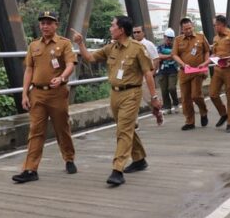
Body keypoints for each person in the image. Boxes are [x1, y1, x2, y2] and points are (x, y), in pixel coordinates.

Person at [72, 16, 163, 186]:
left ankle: (117, 169)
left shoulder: (137, 48)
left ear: (121, 30)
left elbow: (148, 73)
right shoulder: (111, 48)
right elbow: (90, 58)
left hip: (131, 93)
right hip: (115, 94)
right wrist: (80, 43)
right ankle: (140, 159)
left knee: (122, 131)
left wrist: (154, 97)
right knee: (126, 128)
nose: (110, 28)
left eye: (112, 25)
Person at [12, 11, 77, 183]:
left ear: (56, 25)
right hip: (38, 94)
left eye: (49, 23)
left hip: (57, 93)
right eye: (43, 23)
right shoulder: (34, 46)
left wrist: (62, 77)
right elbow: (29, 69)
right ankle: (30, 169)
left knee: (61, 128)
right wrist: (24, 93)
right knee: (35, 131)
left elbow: (70, 64)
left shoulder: (64, 44)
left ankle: (69, 158)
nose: (45, 26)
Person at [172, 17, 210, 130]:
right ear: (182, 29)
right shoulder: (178, 40)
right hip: (184, 72)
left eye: (189, 28)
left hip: (198, 71)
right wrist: (183, 64)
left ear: (192, 26)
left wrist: (205, 64)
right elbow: (174, 54)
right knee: (185, 98)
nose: (188, 30)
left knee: (196, 95)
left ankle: (203, 111)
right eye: (185, 29)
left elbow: (207, 51)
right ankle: (190, 121)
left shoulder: (201, 37)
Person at [210, 15, 230, 132]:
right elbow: (214, 54)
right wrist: (205, 62)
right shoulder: (215, 39)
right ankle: (223, 114)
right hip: (218, 69)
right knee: (213, 94)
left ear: (221, 25)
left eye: (215, 25)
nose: (214, 27)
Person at [133, 25, 164, 125]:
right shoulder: (131, 45)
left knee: (149, 99)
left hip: (146, 77)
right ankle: (134, 123)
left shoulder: (148, 44)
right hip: (134, 78)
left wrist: (152, 73)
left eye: (138, 32)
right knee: (133, 101)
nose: (136, 34)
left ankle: (157, 111)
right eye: (134, 32)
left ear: (143, 33)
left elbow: (156, 59)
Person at [157, 28, 180, 114]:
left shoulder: (175, 45)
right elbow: (158, 56)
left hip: (173, 69)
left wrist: (167, 56)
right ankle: (167, 107)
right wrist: (170, 56)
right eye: (168, 37)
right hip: (163, 70)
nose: (169, 40)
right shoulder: (160, 46)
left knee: (172, 88)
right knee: (164, 90)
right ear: (164, 37)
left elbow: (177, 55)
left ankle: (176, 104)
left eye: (171, 38)